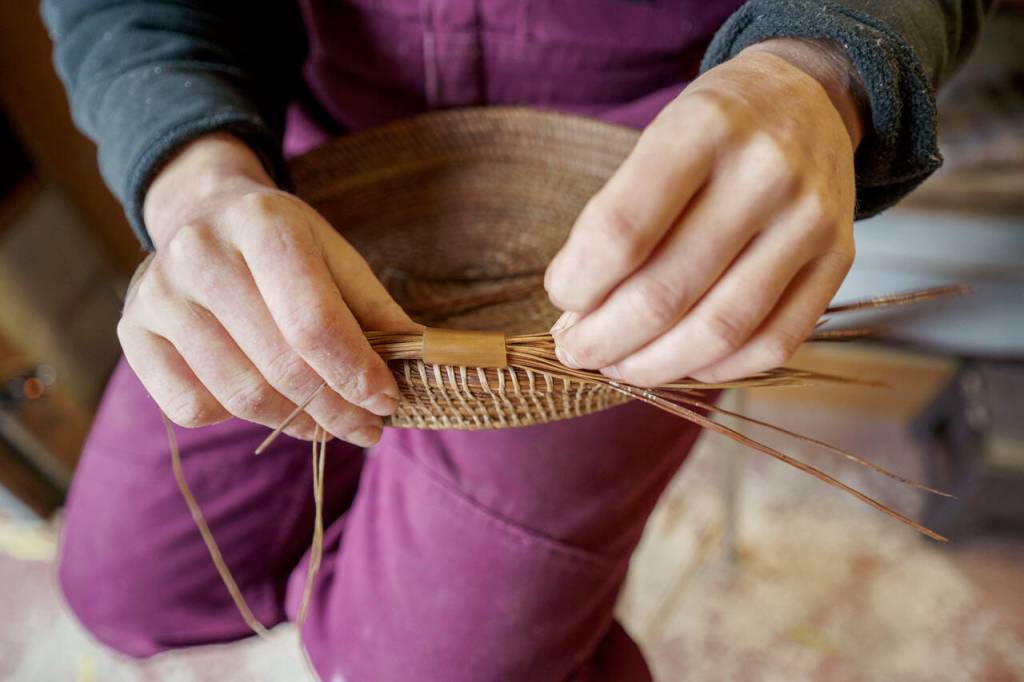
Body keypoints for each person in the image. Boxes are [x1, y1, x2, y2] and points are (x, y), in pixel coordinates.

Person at [42, 1, 985, 679]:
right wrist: (191, 174)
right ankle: (377, 582)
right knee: (126, 587)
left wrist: (820, 62)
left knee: (407, 661)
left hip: (657, 175)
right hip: (314, 162)